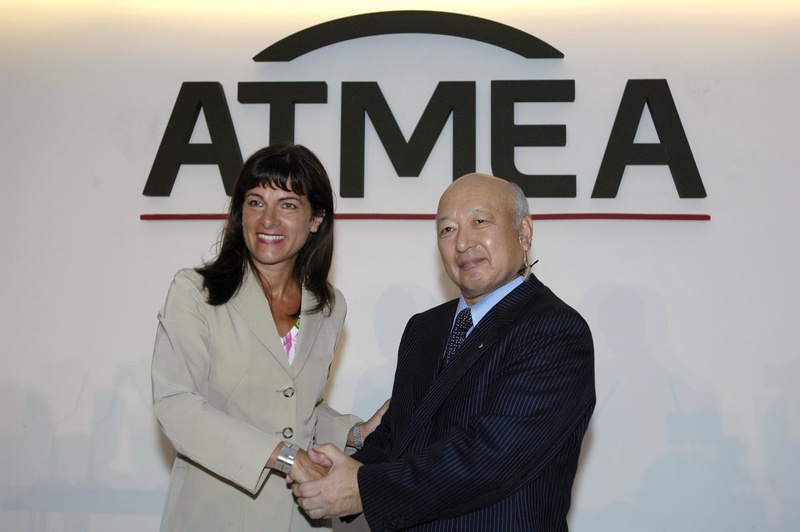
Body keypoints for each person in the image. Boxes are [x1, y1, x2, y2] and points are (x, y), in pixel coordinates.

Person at [291, 173, 595, 531]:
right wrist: (339, 469)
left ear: (524, 232)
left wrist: (363, 488)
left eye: (480, 222)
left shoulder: (554, 330)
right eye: (447, 229)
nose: (463, 243)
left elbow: (492, 458)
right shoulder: (425, 328)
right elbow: (399, 435)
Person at [151, 143, 387, 532]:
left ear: (316, 220)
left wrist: (354, 432)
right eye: (256, 201)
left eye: (289, 204)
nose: (268, 219)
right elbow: (177, 405)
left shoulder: (329, 306)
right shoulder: (195, 292)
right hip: (211, 516)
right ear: (239, 212)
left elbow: (295, 407)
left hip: (300, 518)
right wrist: (284, 456)